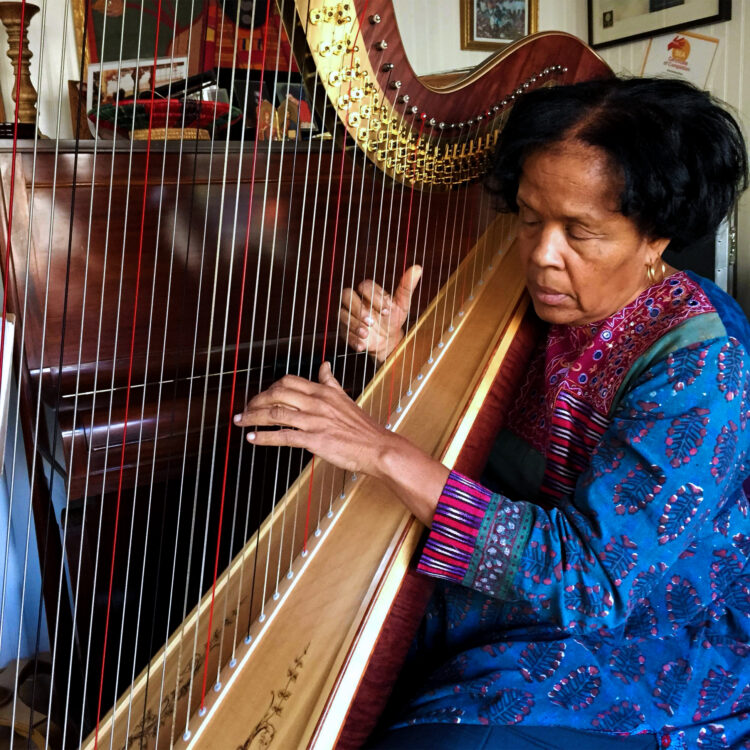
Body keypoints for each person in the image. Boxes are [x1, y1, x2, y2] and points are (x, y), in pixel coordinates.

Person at [233, 77, 750, 748]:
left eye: (581, 232)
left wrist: (383, 450)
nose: (540, 254)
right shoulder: (545, 307)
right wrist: (400, 353)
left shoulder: (701, 364)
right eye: (531, 218)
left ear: (657, 235)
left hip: (655, 626)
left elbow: (593, 582)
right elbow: (498, 444)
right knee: (301, 616)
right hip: (535, 575)